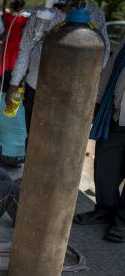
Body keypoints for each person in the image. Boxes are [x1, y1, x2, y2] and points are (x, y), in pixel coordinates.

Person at [6, 0, 110, 132]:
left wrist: (88, 79)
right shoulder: (43, 11)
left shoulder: (96, 14)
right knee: (33, 134)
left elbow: (104, 50)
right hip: (37, 86)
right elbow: (26, 49)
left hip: (73, 92)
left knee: (62, 138)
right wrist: (14, 84)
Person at [73, 37, 125, 242]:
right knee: (105, 165)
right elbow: (112, 67)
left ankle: (122, 222)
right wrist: (96, 100)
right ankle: (105, 209)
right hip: (115, 115)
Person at [0, 0, 28, 85]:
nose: (19, 8)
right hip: (6, 42)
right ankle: (0, 81)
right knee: (4, 62)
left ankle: (11, 82)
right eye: (18, 6)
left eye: (21, 6)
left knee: (13, 63)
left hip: (17, 43)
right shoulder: (5, 16)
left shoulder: (23, 18)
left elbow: (24, 31)